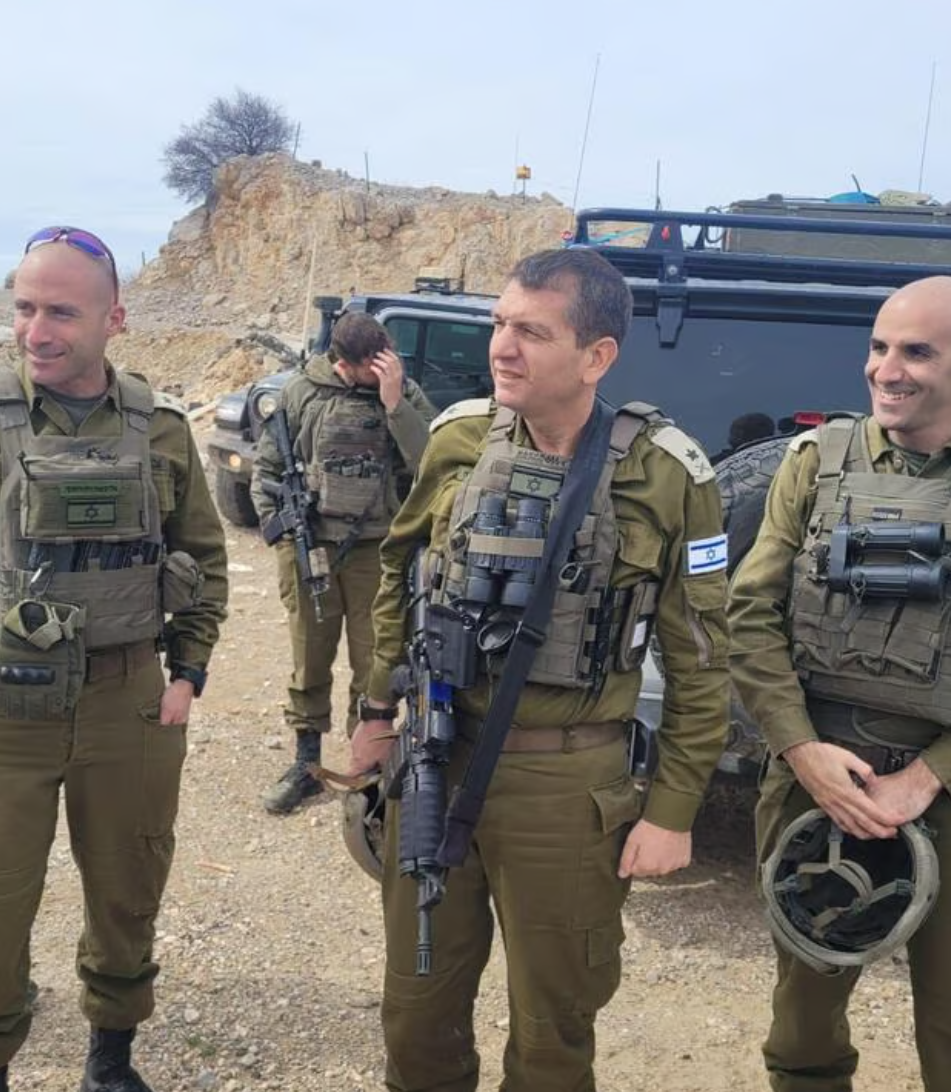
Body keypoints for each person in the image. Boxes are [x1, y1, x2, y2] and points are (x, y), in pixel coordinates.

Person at [347, 248, 731, 1091]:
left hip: (568, 787)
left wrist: (672, 810)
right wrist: (375, 713)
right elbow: (400, 572)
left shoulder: (667, 474)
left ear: (596, 356)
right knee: (415, 1014)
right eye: (498, 325)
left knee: (553, 1029)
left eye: (531, 331)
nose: (502, 348)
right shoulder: (457, 439)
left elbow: (702, 659)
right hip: (438, 759)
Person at [0, 226, 229, 1092]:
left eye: (61, 312)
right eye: (24, 307)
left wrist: (187, 673)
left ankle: (110, 1063)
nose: (35, 330)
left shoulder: (161, 427)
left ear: (114, 319)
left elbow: (204, 558)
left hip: (128, 703)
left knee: (128, 894)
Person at [728, 275, 951, 1092]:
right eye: (879, 347)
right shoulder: (813, 464)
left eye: (916, 352)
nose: (886, 370)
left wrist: (923, 781)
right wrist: (801, 751)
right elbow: (749, 616)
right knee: (803, 1014)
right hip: (817, 780)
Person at [253, 312, 436, 814]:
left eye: (383, 359)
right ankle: (306, 763)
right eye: (366, 366)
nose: (378, 371)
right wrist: (280, 534)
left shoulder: (402, 391)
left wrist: (395, 405)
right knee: (308, 656)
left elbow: (431, 463)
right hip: (311, 548)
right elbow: (267, 466)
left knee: (375, 661)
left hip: (376, 551)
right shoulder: (301, 392)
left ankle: (369, 764)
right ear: (342, 364)